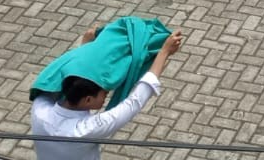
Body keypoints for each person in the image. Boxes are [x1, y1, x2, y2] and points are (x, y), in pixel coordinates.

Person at [30, 29, 183, 160]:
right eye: (105, 92)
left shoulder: (40, 109)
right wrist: (164, 52)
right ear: (88, 99)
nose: (107, 95)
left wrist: (86, 47)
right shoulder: (86, 130)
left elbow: (63, 74)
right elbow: (135, 101)